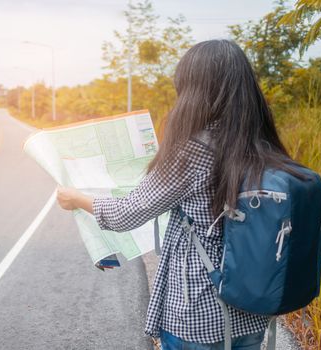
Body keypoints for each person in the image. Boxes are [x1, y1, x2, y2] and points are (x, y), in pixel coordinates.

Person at [56, 39, 300, 349]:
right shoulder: (262, 144)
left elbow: (126, 213)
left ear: (194, 90)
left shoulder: (193, 150)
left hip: (199, 313)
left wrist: (76, 199)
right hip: (252, 309)